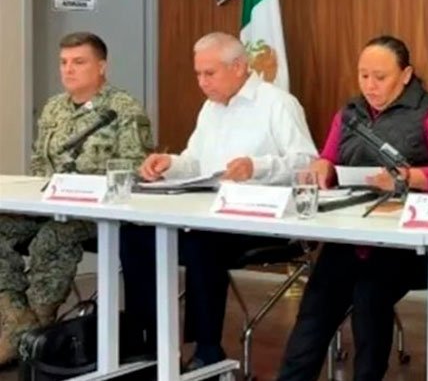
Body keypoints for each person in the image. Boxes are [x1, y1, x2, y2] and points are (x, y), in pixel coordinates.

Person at [277, 35, 428, 381]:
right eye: (363, 75)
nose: (370, 85)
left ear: (406, 75)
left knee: (369, 295)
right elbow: (329, 158)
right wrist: (322, 167)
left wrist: (408, 177)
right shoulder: (349, 113)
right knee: (316, 304)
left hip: (406, 240)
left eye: (380, 77)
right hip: (351, 232)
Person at [121, 32, 317, 369]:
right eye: (198, 73)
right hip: (210, 213)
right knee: (135, 236)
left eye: (209, 73)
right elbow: (195, 162)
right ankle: (149, 343)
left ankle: (208, 349)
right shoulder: (211, 109)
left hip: (261, 220)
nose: (202, 82)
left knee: (202, 242)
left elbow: (307, 163)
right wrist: (170, 164)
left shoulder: (278, 104)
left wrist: (257, 167)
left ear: (238, 67)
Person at [0, 32, 152, 365]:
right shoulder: (54, 108)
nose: (68, 70)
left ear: (102, 66)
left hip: (97, 212)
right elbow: (40, 165)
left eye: (79, 62)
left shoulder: (123, 109)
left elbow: (135, 169)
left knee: (52, 238)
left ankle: (35, 328)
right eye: (64, 62)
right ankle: (17, 320)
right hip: (50, 204)